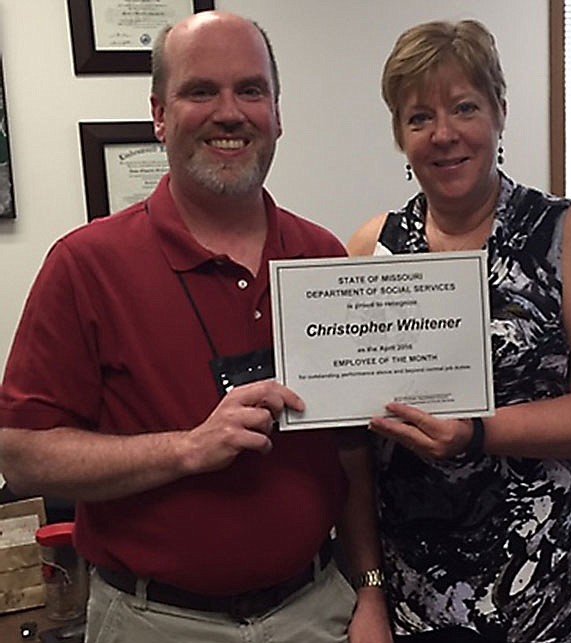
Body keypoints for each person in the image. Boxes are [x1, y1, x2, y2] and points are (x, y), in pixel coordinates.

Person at [0, 11, 391, 643]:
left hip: (316, 611)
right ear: (159, 114)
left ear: (277, 114)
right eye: (201, 91)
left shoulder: (321, 256)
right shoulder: (84, 265)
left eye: (251, 90)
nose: (229, 112)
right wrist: (187, 448)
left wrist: (369, 591)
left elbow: (351, 454)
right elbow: (20, 454)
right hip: (152, 621)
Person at [348, 19, 571, 643]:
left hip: (559, 581)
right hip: (419, 595)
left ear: (500, 114)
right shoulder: (371, 248)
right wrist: (369, 592)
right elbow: (354, 442)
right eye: (418, 117)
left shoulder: (569, 234)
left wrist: (476, 434)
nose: (443, 134)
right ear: (399, 136)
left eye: (465, 108)